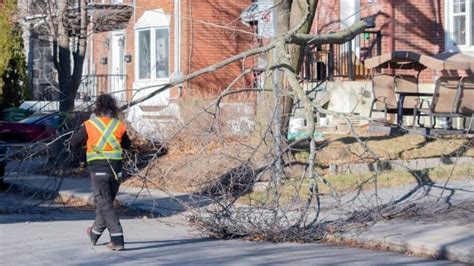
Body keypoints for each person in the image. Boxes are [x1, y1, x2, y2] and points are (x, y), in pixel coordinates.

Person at [71, 94, 131, 251]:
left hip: (98, 169)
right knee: (106, 204)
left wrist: (81, 156)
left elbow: (73, 143)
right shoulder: (119, 125)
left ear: (97, 108)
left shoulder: (90, 124)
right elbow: (127, 145)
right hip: (116, 170)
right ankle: (94, 233)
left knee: (104, 204)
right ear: (113, 108)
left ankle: (117, 238)